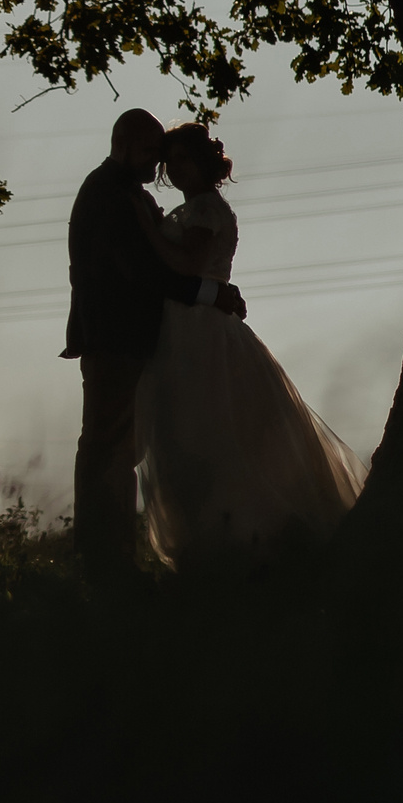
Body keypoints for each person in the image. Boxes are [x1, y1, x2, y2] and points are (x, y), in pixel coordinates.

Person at [130, 124, 368, 570]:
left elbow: (188, 263)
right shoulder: (190, 210)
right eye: (171, 160)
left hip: (201, 332)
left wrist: (147, 228)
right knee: (183, 432)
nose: (174, 168)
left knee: (213, 430)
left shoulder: (205, 210)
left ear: (203, 163)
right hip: (183, 325)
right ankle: (213, 543)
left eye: (183, 159)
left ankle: (245, 542)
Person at [62, 110, 245, 572]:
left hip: (132, 339)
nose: (158, 164)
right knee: (109, 447)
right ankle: (104, 561)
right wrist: (212, 294)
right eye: (150, 152)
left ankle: (109, 557)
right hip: (115, 339)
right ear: (122, 145)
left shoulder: (126, 194)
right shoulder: (110, 196)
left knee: (120, 449)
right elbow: (142, 272)